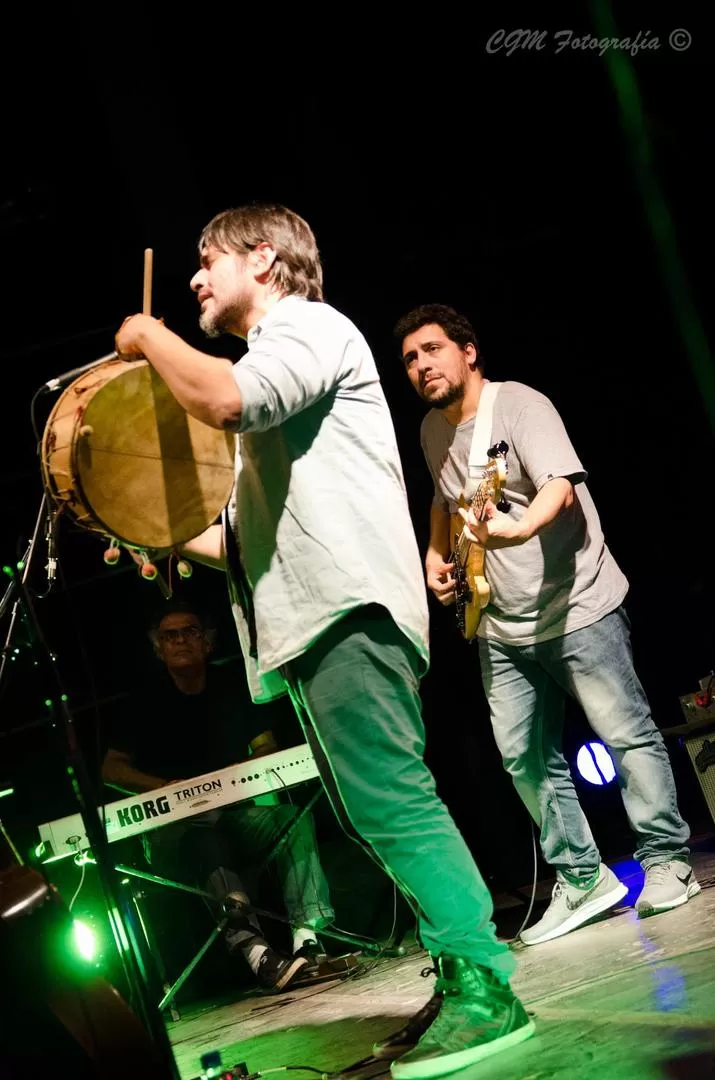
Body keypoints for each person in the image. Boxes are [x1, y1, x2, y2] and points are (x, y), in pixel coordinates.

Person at [113, 203, 535, 1078]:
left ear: (262, 258)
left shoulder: (303, 327)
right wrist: (135, 521)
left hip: (347, 611)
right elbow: (235, 540)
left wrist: (148, 338)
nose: (195, 278)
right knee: (366, 806)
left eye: (208, 260)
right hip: (315, 619)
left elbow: (225, 398)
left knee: (390, 798)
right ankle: (462, 969)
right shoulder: (278, 368)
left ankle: (486, 982)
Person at [394, 302, 700, 947]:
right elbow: (444, 497)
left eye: (433, 350)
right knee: (522, 757)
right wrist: (433, 551)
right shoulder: (430, 430)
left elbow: (560, 483)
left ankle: (668, 859)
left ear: (468, 350)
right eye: (411, 359)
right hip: (501, 621)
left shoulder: (521, 407)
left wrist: (523, 524)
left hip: (575, 602)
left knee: (626, 733)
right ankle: (584, 878)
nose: (422, 366)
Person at [102, 599, 336, 993]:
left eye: (190, 632)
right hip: (174, 835)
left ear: (208, 642)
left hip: (236, 819)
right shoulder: (140, 703)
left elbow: (266, 746)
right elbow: (111, 769)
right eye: (169, 635)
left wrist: (238, 776)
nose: (180, 641)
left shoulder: (233, 687)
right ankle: (256, 951)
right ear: (157, 647)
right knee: (202, 835)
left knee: (296, 819)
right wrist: (163, 789)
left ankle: (306, 939)